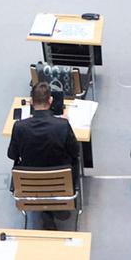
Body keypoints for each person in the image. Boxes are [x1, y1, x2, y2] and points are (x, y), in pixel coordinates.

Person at [7, 81, 81, 227]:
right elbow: (75, 152)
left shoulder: (19, 127)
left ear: (31, 101)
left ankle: (44, 210)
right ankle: (53, 207)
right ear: (51, 100)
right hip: (61, 181)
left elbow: (12, 155)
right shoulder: (62, 125)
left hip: (30, 183)